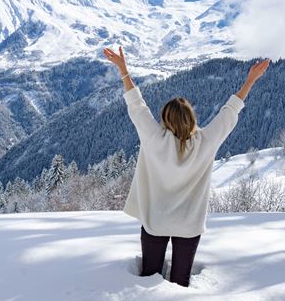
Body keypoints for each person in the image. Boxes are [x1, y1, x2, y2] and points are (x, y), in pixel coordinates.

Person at [103, 45, 270, 287]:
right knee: (181, 282)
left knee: (149, 280)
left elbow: (137, 106)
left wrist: (123, 71)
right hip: (189, 226)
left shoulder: (153, 138)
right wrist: (250, 80)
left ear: (165, 119)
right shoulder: (206, 143)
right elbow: (229, 113)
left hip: (155, 222)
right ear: (191, 119)